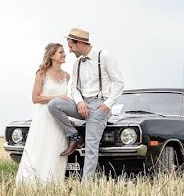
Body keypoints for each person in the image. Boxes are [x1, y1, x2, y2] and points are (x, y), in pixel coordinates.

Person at [47, 27, 125, 180]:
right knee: (54, 104)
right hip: (82, 104)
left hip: (99, 106)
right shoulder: (77, 63)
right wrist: (80, 101)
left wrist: (107, 104)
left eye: (71, 46)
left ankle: (86, 185)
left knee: (91, 147)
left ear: (80, 43)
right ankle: (74, 136)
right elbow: (74, 87)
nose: (69, 51)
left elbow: (119, 82)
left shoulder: (104, 56)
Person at [15, 43, 73, 185]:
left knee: (56, 150)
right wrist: (57, 98)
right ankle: (32, 182)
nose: (64, 54)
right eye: (61, 52)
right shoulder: (41, 73)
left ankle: (52, 183)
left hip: (59, 119)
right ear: (52, 56)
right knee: (40, 148)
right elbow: (35, 98)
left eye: (64, 52)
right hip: (44, 118)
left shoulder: (67, 75)